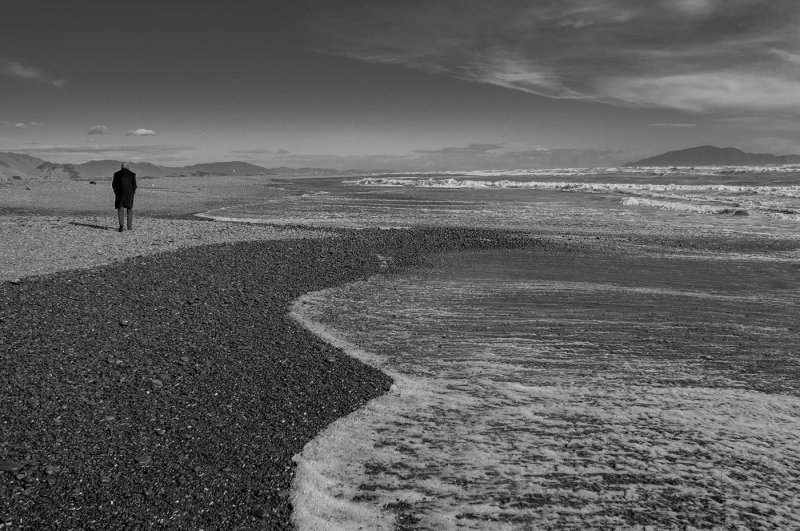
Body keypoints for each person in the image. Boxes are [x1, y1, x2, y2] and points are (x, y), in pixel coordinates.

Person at [112, 162, 137, 232]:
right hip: (129, 194)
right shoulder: (132, 174)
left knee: (120, 209)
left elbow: (114, 185)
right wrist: (133, 192)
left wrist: (116, 192)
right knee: (129, 209)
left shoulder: (116, 174)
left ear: (121, 167)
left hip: (119, 194)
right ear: (128, 167)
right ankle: (129, 226)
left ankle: (121, 225)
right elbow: (134, 185)